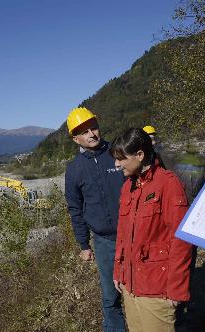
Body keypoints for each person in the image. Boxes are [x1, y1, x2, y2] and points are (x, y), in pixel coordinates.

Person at [111, 128, 192, 332]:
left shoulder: (168, 183)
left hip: (156, 288)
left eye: (122, 158)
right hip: (129, 285)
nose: (116, 164)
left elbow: (181, 240)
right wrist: (118, 271)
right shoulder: (127, 187)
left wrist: (177, 288)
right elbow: (122, 235)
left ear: (140, 155)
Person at [64, 107, 126, 332]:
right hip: (104, 242)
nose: (92, 134)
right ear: (75, 138)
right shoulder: (74, 170)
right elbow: (75, 209)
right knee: (110, 297)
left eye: (94, 127)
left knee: (140, 290)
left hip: (134, 234)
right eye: (84, 131)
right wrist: (83, 244)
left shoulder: (118, 152)